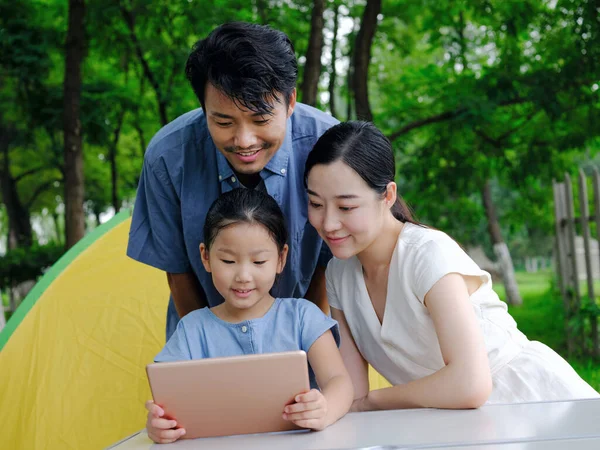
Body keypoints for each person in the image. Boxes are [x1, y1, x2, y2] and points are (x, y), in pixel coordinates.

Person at [303, 121, 600, 410]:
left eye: (346, 207)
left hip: (527, 402)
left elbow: (469, 384)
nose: (328, 223)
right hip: (448, 417)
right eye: (316, 204)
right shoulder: (339, 274)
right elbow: (353, 392)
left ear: (388, 195)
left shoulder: (426, 254)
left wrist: (377, 401)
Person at [127, 22, 338, 341]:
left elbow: (329, 266)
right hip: (201, 339)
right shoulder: (168, 158)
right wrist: (212, 352)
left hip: (308, 337)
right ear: (203, 107)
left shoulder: (329, 146)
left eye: (260, 119)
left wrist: (301, 343)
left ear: (290, 101)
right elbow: (179, 273)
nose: (244, 140)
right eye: (223, 121)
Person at [144, 189, 353, 444]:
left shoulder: (302, 316)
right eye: (229, 261)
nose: (243, 276)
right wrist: (159, 425)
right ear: (206, 257)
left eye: (258, 262)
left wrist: (325, 409)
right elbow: (167, 405)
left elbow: (339, 381)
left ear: (281, 258)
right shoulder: (191, 329)